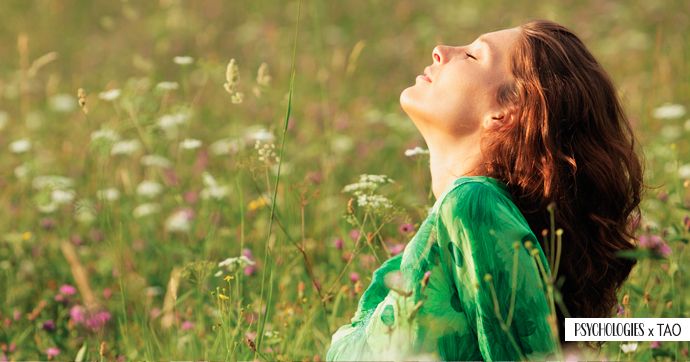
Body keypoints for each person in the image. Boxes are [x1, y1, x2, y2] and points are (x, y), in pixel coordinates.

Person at [326, 19, 643, 361]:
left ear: (506, 112)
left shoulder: (473, 204)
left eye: (474, 56)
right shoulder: (454, 229)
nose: (441, 51)